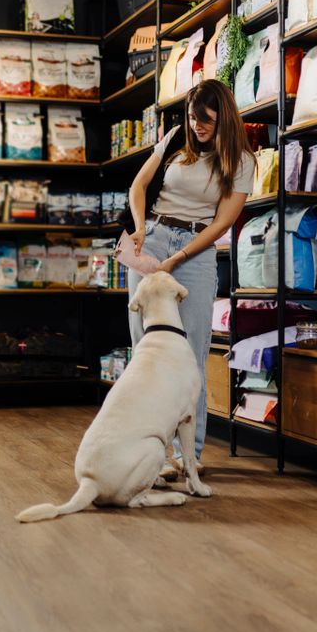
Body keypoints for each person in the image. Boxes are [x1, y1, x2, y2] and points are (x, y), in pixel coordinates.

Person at [126, 79, 255, 474]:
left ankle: (188, 457)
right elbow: (139, 185)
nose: (197, 127)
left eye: (207, 120)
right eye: (192, 117)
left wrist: (178, 257)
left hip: (196, 252)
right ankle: (152, 455)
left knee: (192, 356)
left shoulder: (242, 161)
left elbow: (222, 224)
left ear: (225, 119)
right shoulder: (177, 139)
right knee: (144, 353)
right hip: (153, 239)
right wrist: (140, 228)